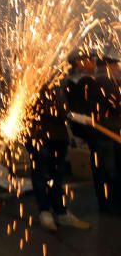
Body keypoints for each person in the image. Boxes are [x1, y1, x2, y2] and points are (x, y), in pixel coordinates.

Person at [27, 80, 91, 231]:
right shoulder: (32, 82)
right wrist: (71, 115)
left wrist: (71, 115)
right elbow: (53, 109)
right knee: (42, 174)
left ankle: (60, 212)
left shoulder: (55, 84)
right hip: (39, 137)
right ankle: (45, 212)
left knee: (56, 176)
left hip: (58, 137)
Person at [64, 51, 121, 214]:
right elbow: (116, 103)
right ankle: (110, 204)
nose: (91, 62)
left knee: (104, 168)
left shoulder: (79, 80)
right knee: (108, 169)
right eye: (88, 59)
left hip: (99, 132)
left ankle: (107, 203)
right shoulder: (103, 81)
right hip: (104, 132)